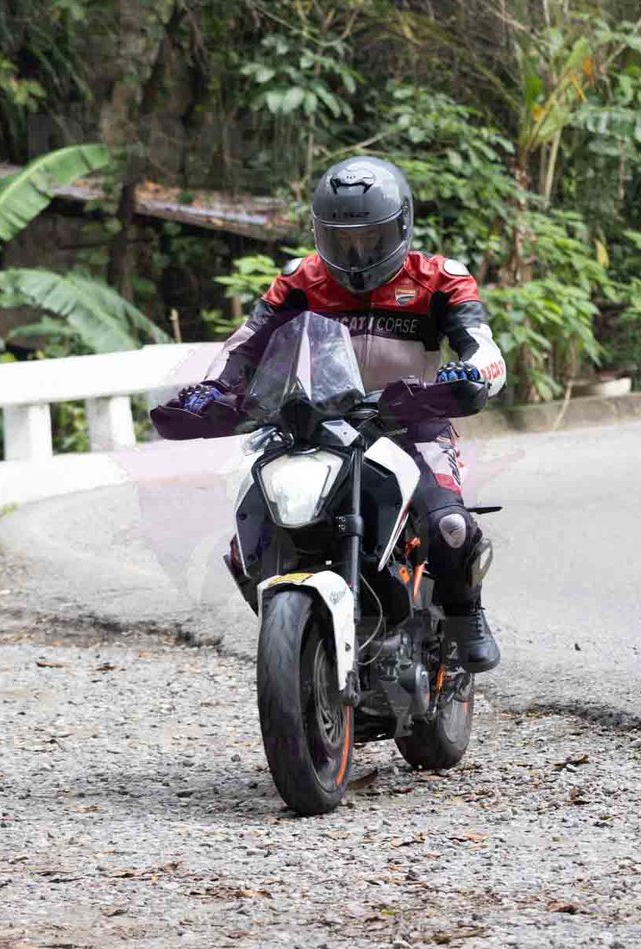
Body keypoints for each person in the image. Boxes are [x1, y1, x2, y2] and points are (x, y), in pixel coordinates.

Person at [178, 155, 504, 672]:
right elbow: (245, 345)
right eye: (341, 240)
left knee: (450, 526)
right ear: (318, 232)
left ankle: (466, 614)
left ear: (401, 226)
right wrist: (212, 389)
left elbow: (483, 348)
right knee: (253, 526)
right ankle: (299, 626)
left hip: (411, 421)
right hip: (317, 420)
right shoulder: (300, 280)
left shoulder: (440, 279)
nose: (356, 254)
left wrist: (471, 375)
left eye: (371, 238)